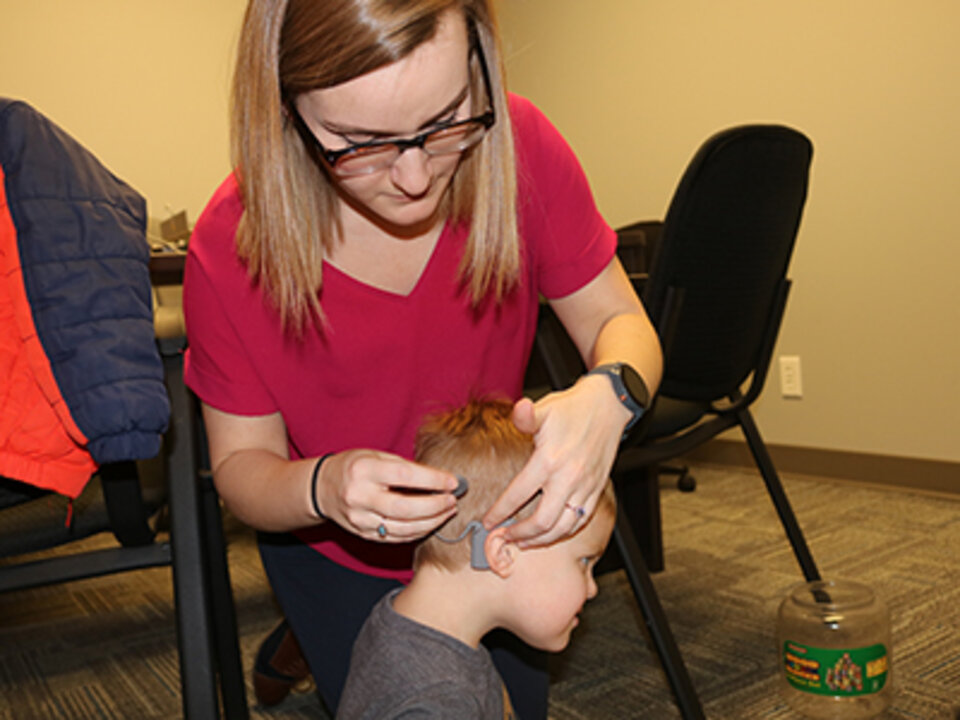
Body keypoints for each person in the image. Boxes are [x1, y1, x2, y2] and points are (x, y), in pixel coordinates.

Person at [182, 0, 662, 716]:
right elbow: (242, 470)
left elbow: (621, 322)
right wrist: (325, 487)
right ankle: (307, 632)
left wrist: (610, 396)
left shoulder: (520, 146)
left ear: (480, 69)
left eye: (445, 122)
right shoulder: (230, 247)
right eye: (360, 140)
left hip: (489, 531)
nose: (413, 177)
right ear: (284, 110)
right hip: (328, 541)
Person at [336, 398, 617, 719]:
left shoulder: (406, 621)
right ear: (502, 552)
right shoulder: (438, 703)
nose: (592, 589)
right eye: (583, 562)